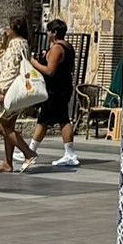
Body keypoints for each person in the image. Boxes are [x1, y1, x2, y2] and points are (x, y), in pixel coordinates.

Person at [23, 20, 79, 168]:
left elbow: (50, 71)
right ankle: (31, 150)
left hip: (56, 90)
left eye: (49, 31)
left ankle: (69, 154)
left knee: (60, 119)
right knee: (48, 119)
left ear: (54, 33)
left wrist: (33, 62)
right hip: (62, 87)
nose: (47, 34)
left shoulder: (57, 48)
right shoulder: (67, 47)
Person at [0, 19, 37, 173]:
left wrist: (2, 91)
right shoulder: (20, 43)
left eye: (8, 27)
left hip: (9, 90)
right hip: (15, 90)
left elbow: (10, 69)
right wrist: (4, 40)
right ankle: (8, 162)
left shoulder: (16, 45)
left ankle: (28, 153)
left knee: (1, 125)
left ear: (15, 29)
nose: (6, 29)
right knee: (9, 126)